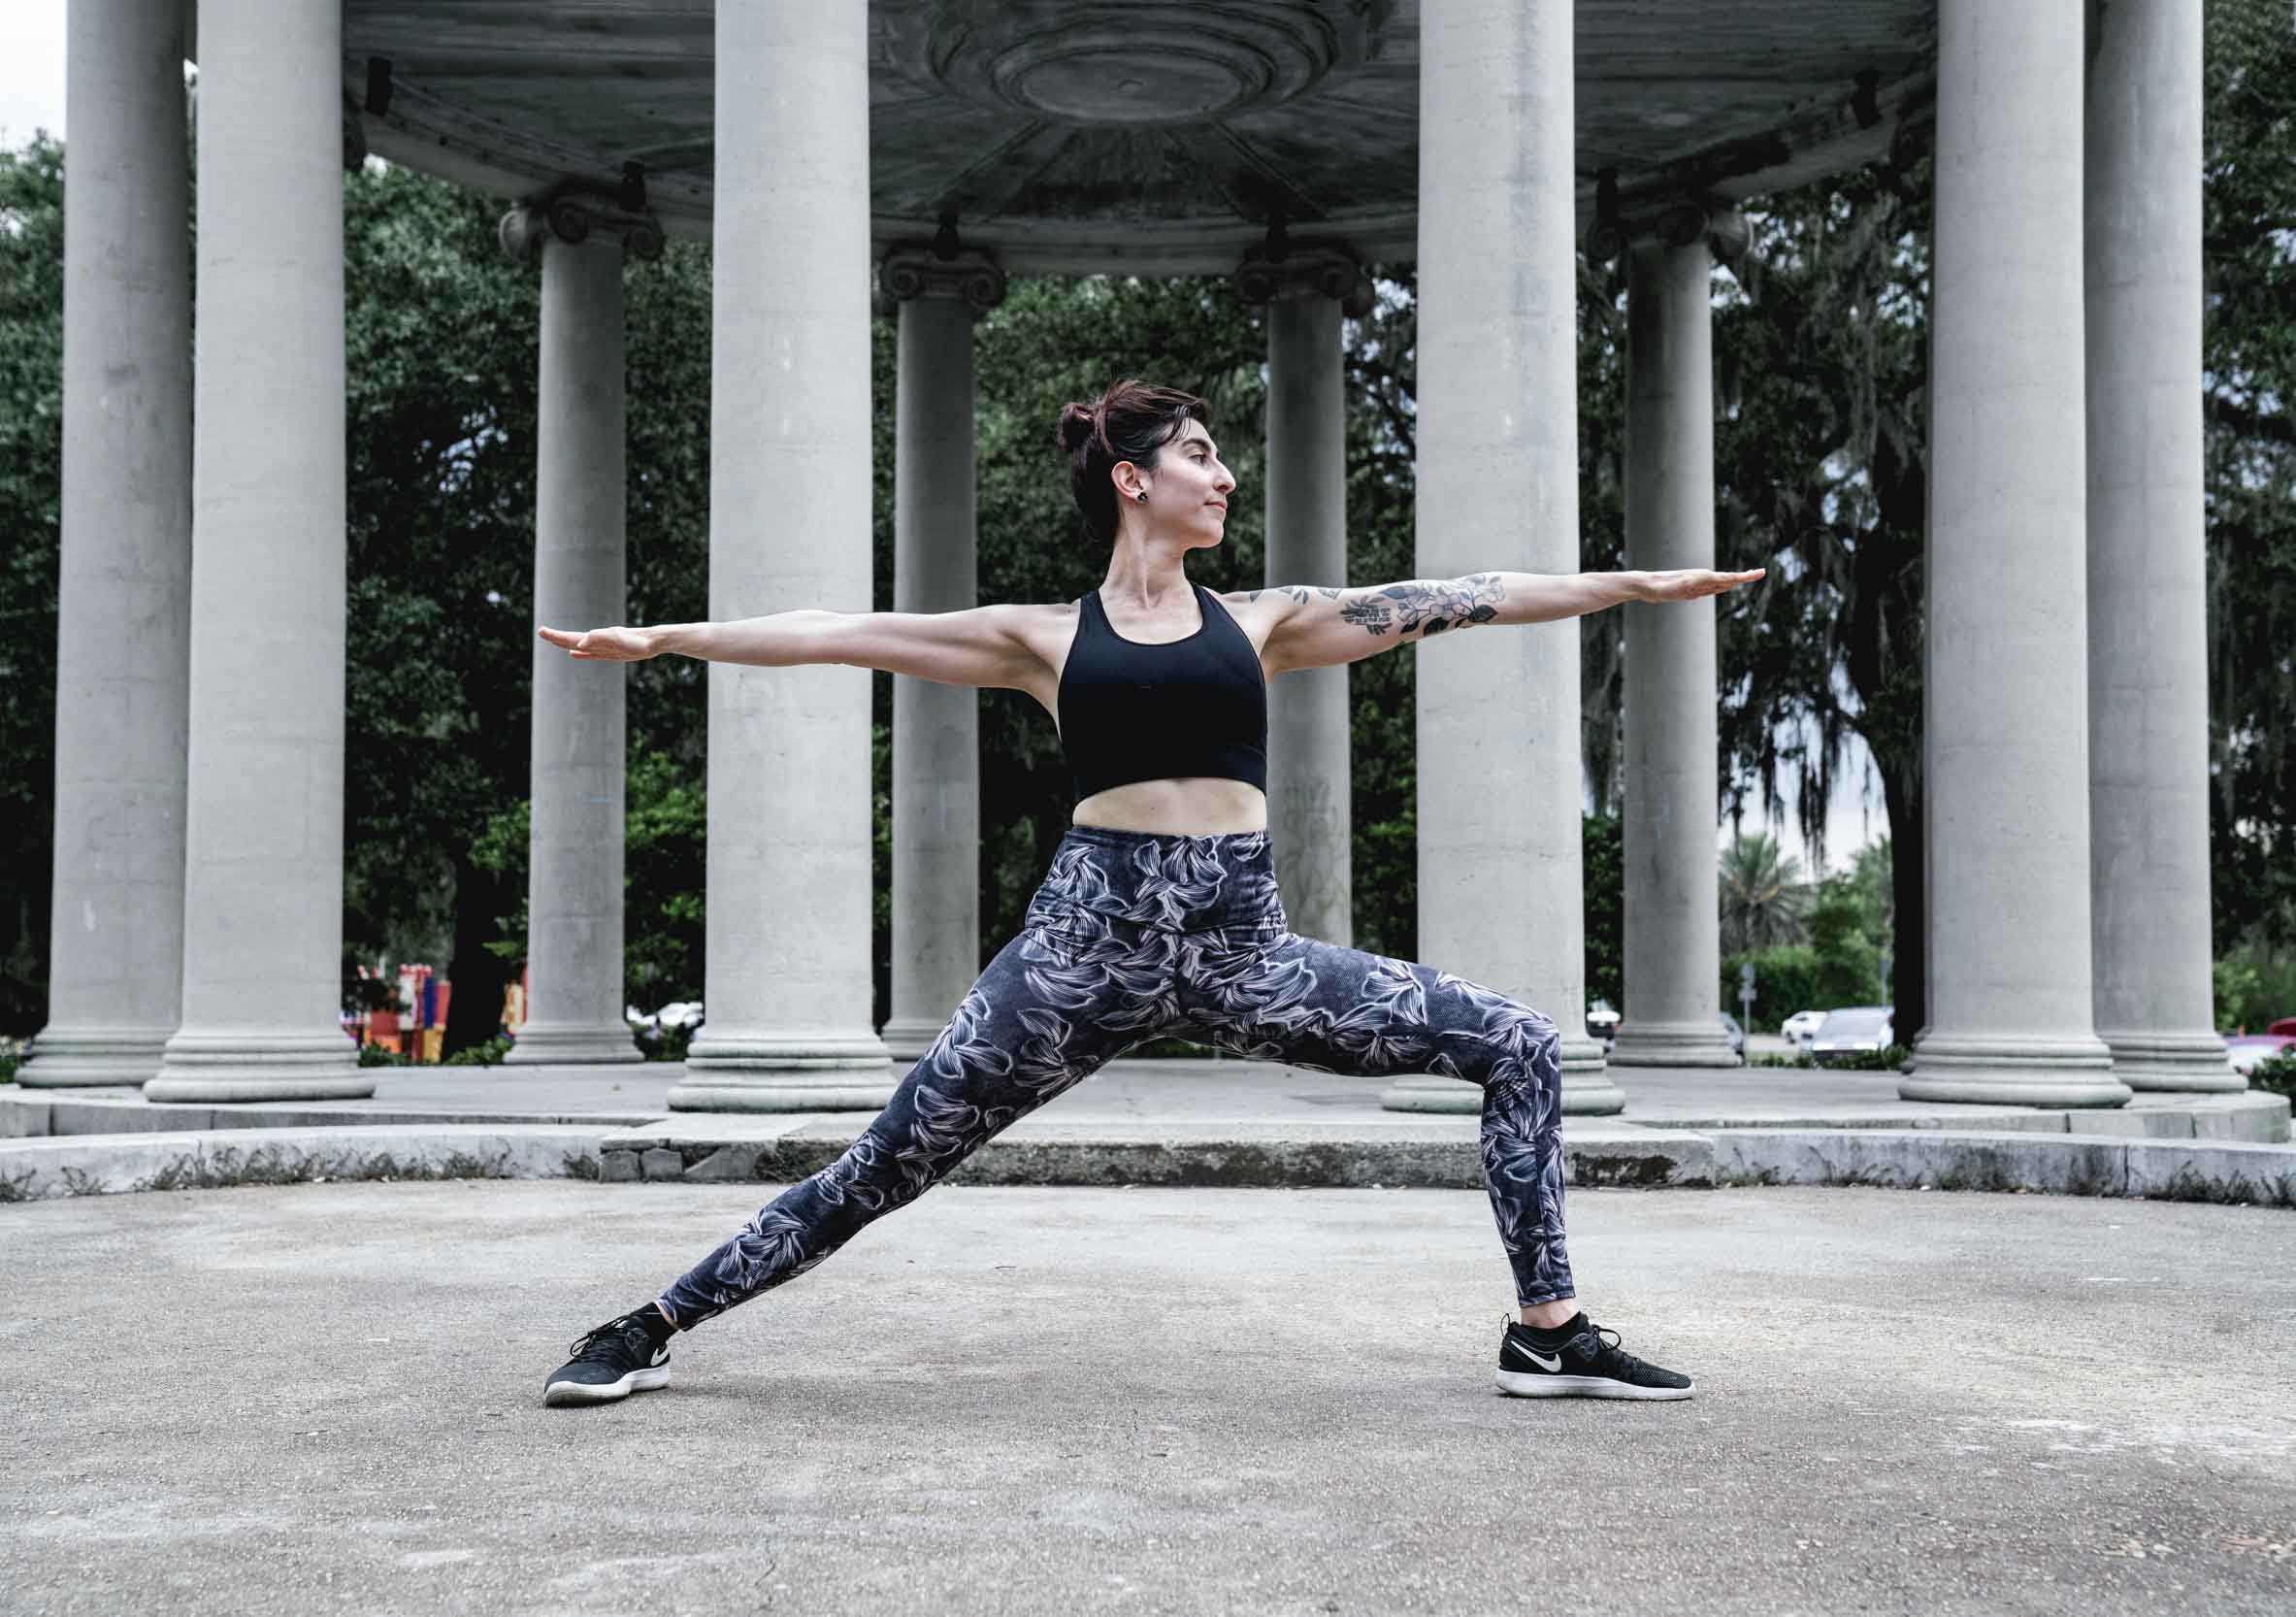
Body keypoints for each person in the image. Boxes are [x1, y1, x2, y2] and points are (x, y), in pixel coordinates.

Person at [533, 380, 1763, 1408]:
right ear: (1132, 478)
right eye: (1198, 455)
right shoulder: (1041, 639)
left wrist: (1635, 586)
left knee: (1521, 1045)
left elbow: (1472, 593)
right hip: (1076, 959)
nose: (1223, 475)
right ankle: (648, 1324)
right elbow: (838, 630)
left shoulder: (1266, 619)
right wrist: (665, 639)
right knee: (884, 1164)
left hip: (1244, 954)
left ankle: (1546, 1329)